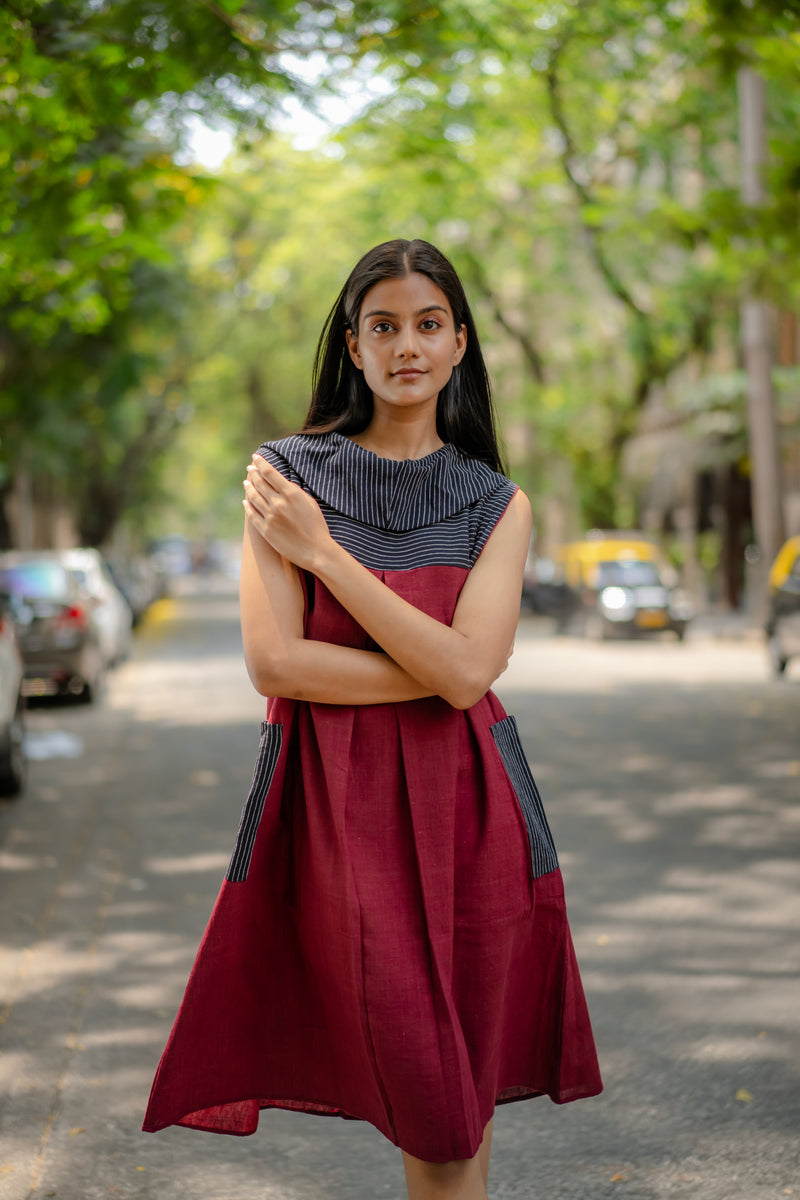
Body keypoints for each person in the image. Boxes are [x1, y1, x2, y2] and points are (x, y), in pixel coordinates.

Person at [143, 238, 602, 1200]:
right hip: (330, 818)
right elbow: (277, 663)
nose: (407, 346)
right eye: (383, 326)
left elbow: (473, 675)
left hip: (473, 810)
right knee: (436, 1098)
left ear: (460, 344)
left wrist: (327, 558)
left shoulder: (496, 503)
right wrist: (448, 671)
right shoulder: (283, 474)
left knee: (453, 1107)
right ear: (352, 347)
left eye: (428, 325)